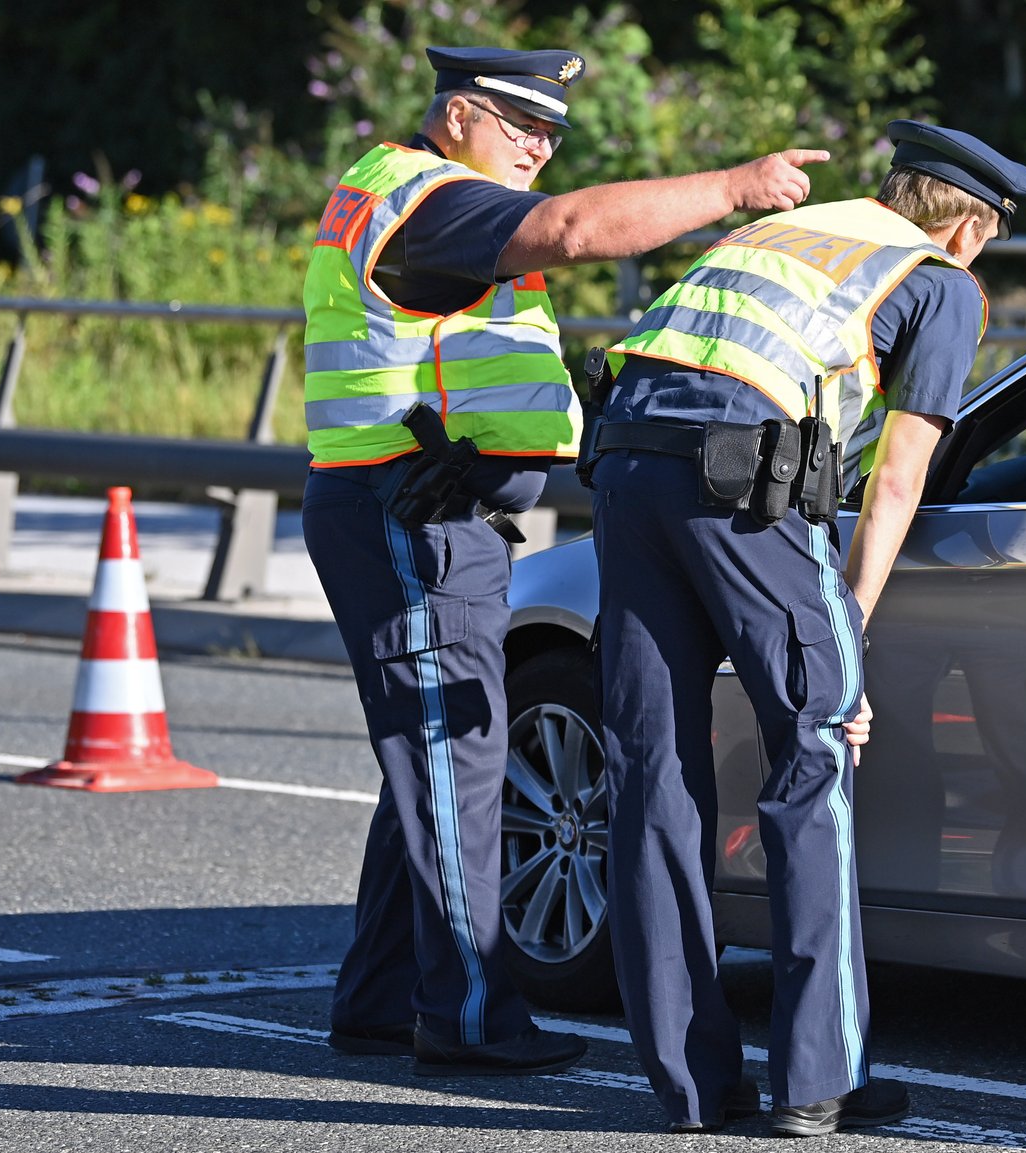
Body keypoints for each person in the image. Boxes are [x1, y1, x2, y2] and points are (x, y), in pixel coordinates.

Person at [299, 45, 825, 1078]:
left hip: (411, 505)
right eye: (518, 125)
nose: (538, 146)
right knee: (456, 757)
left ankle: (378, 995)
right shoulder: (435, 200)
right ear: (456, 117)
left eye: (552, 133)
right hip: (409, 512)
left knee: (437, 757)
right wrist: (733, 188)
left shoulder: (405, 191)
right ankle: (469, 1014)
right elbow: (575, 229)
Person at [587, 119, 1026, 1135]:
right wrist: (849, 637)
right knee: (816, 751)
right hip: (736, 484)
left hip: (623, 467)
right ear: (968, 229)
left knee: (653, 772)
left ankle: (692, 1088)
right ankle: (815, 1079)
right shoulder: (937, 280)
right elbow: (898, 476)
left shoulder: (777, 235)